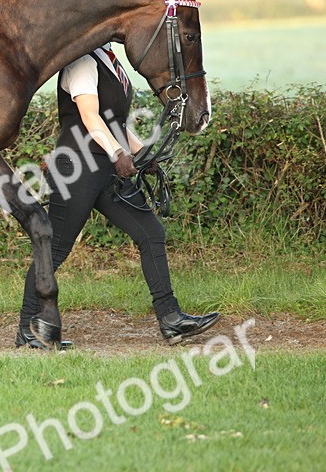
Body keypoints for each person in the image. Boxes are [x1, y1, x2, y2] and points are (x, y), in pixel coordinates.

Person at [17, 43, 220, 349]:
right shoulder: (81, 60)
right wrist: (117, 153)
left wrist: (142, 153)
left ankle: (171, 319)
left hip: (108, 167)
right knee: (55, 250)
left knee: (151, 233)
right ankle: (27, 330)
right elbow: (90, 116)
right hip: (77, 167)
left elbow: (115, 123)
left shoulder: (109, 61)